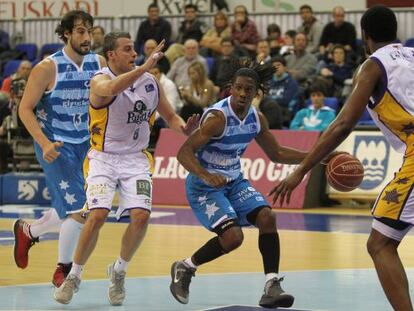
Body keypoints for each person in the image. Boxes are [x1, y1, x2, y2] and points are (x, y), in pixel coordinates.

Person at [270, 6, 414, 311]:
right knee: (384, 242)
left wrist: (301, 170)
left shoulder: (373, 66)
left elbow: (343, 124)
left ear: (364, 35)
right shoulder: (413, 56)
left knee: (380, 244)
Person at [54, 33, 198, 306]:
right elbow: (109, 91)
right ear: (111, 54)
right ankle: (74, 275)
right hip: (103, 159)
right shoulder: (99, 79)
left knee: (142, 217)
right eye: (127, 50)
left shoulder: (150, 83)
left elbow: (170, 116)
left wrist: (185, 130)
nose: (134, 54)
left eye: (135, 50)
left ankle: (118, 271)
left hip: (135, 159)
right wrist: (143, 68)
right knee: (96, 215)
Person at [169, 59, 310, 309]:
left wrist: (317, 156)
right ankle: (186, 267)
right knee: (234, 237)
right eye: (239, 88)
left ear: (257, 92)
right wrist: (205, 174)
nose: (243, 93)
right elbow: (184, 152)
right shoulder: (217, 118)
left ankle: (271, 285)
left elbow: (276, 153)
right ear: (231, 89)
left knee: (267, 216)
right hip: (203, 186)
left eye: (249, 89)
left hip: (234, 182)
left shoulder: (258, 118)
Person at [13, 10, 105, 288]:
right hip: (55, 144)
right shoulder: (47, 67)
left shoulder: (98, 63)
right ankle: (63, 269)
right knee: (79, 209)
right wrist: (43, 143)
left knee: (75, 207)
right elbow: (24, 109)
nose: (87, 37)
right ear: (66, 33)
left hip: (86, 145)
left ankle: (28, 231)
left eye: (89, 30)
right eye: (80, 31)